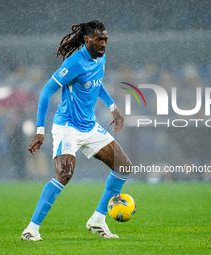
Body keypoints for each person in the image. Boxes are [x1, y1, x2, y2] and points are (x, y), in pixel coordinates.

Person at [21, 20, 132, 241]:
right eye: (99, 39)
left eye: (106, 39)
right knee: (64, 174)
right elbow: (46, 92)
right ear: (86, 39)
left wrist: (113, 108)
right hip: (67, 128)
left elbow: (96, 83)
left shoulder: (101, 59)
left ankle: (98, 220)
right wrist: (40, 130)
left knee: (123, 166)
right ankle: (31, 229)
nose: (103, 44)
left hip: (89, 126)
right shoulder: (74, 63)